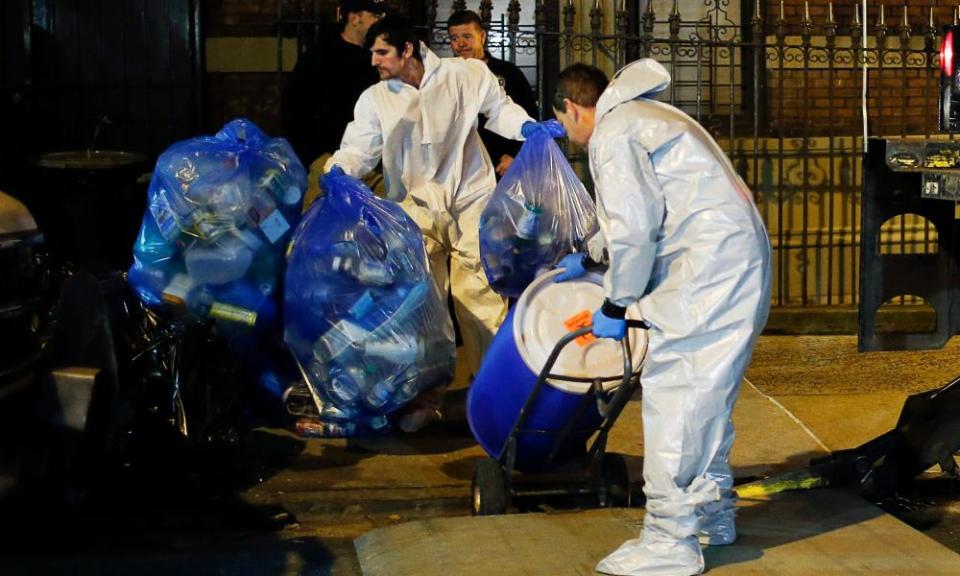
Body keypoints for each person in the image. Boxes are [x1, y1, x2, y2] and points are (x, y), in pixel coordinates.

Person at [551, 61, 771, 576]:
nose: (571, 137)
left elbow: (636, 226)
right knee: (706, 399)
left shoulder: (613, 134)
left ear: (575, 108)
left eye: (565, 125)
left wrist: (614, 302)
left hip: (708, 276)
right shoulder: (650, 116)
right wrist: (590, 255)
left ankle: (670, 541)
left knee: (679, 398)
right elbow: (655, 208)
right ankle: (712, 517)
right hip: (731, 265)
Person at [325, 16, 553, 431]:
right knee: (420, 303)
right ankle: (423, 395)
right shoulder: (377, 99)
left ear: (408, 49)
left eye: (382, 52)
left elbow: (498, 111)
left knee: (481, 295)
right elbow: (360, 146)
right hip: (414, 206)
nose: (374, 61)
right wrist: (340, 169)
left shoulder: (465, 75)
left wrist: (526, 128)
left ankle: (492, 391)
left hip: (470, 200)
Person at [280, 0, 386, 206]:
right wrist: (315, 157)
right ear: (354, 18)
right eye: (374, 16)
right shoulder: (319, 56)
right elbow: (293, 109)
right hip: (328, 159)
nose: (380, 23)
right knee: (323, 221)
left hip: (370, 162)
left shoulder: (376, 60)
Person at [447, 10, 539, 178]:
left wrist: (516, 156)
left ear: (482, 36)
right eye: (454, 38)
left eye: (467, 36)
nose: (460, 44)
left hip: (503, 167)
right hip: (463, 170)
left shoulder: (508, 72)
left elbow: (529, 115)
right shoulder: (446, 76)